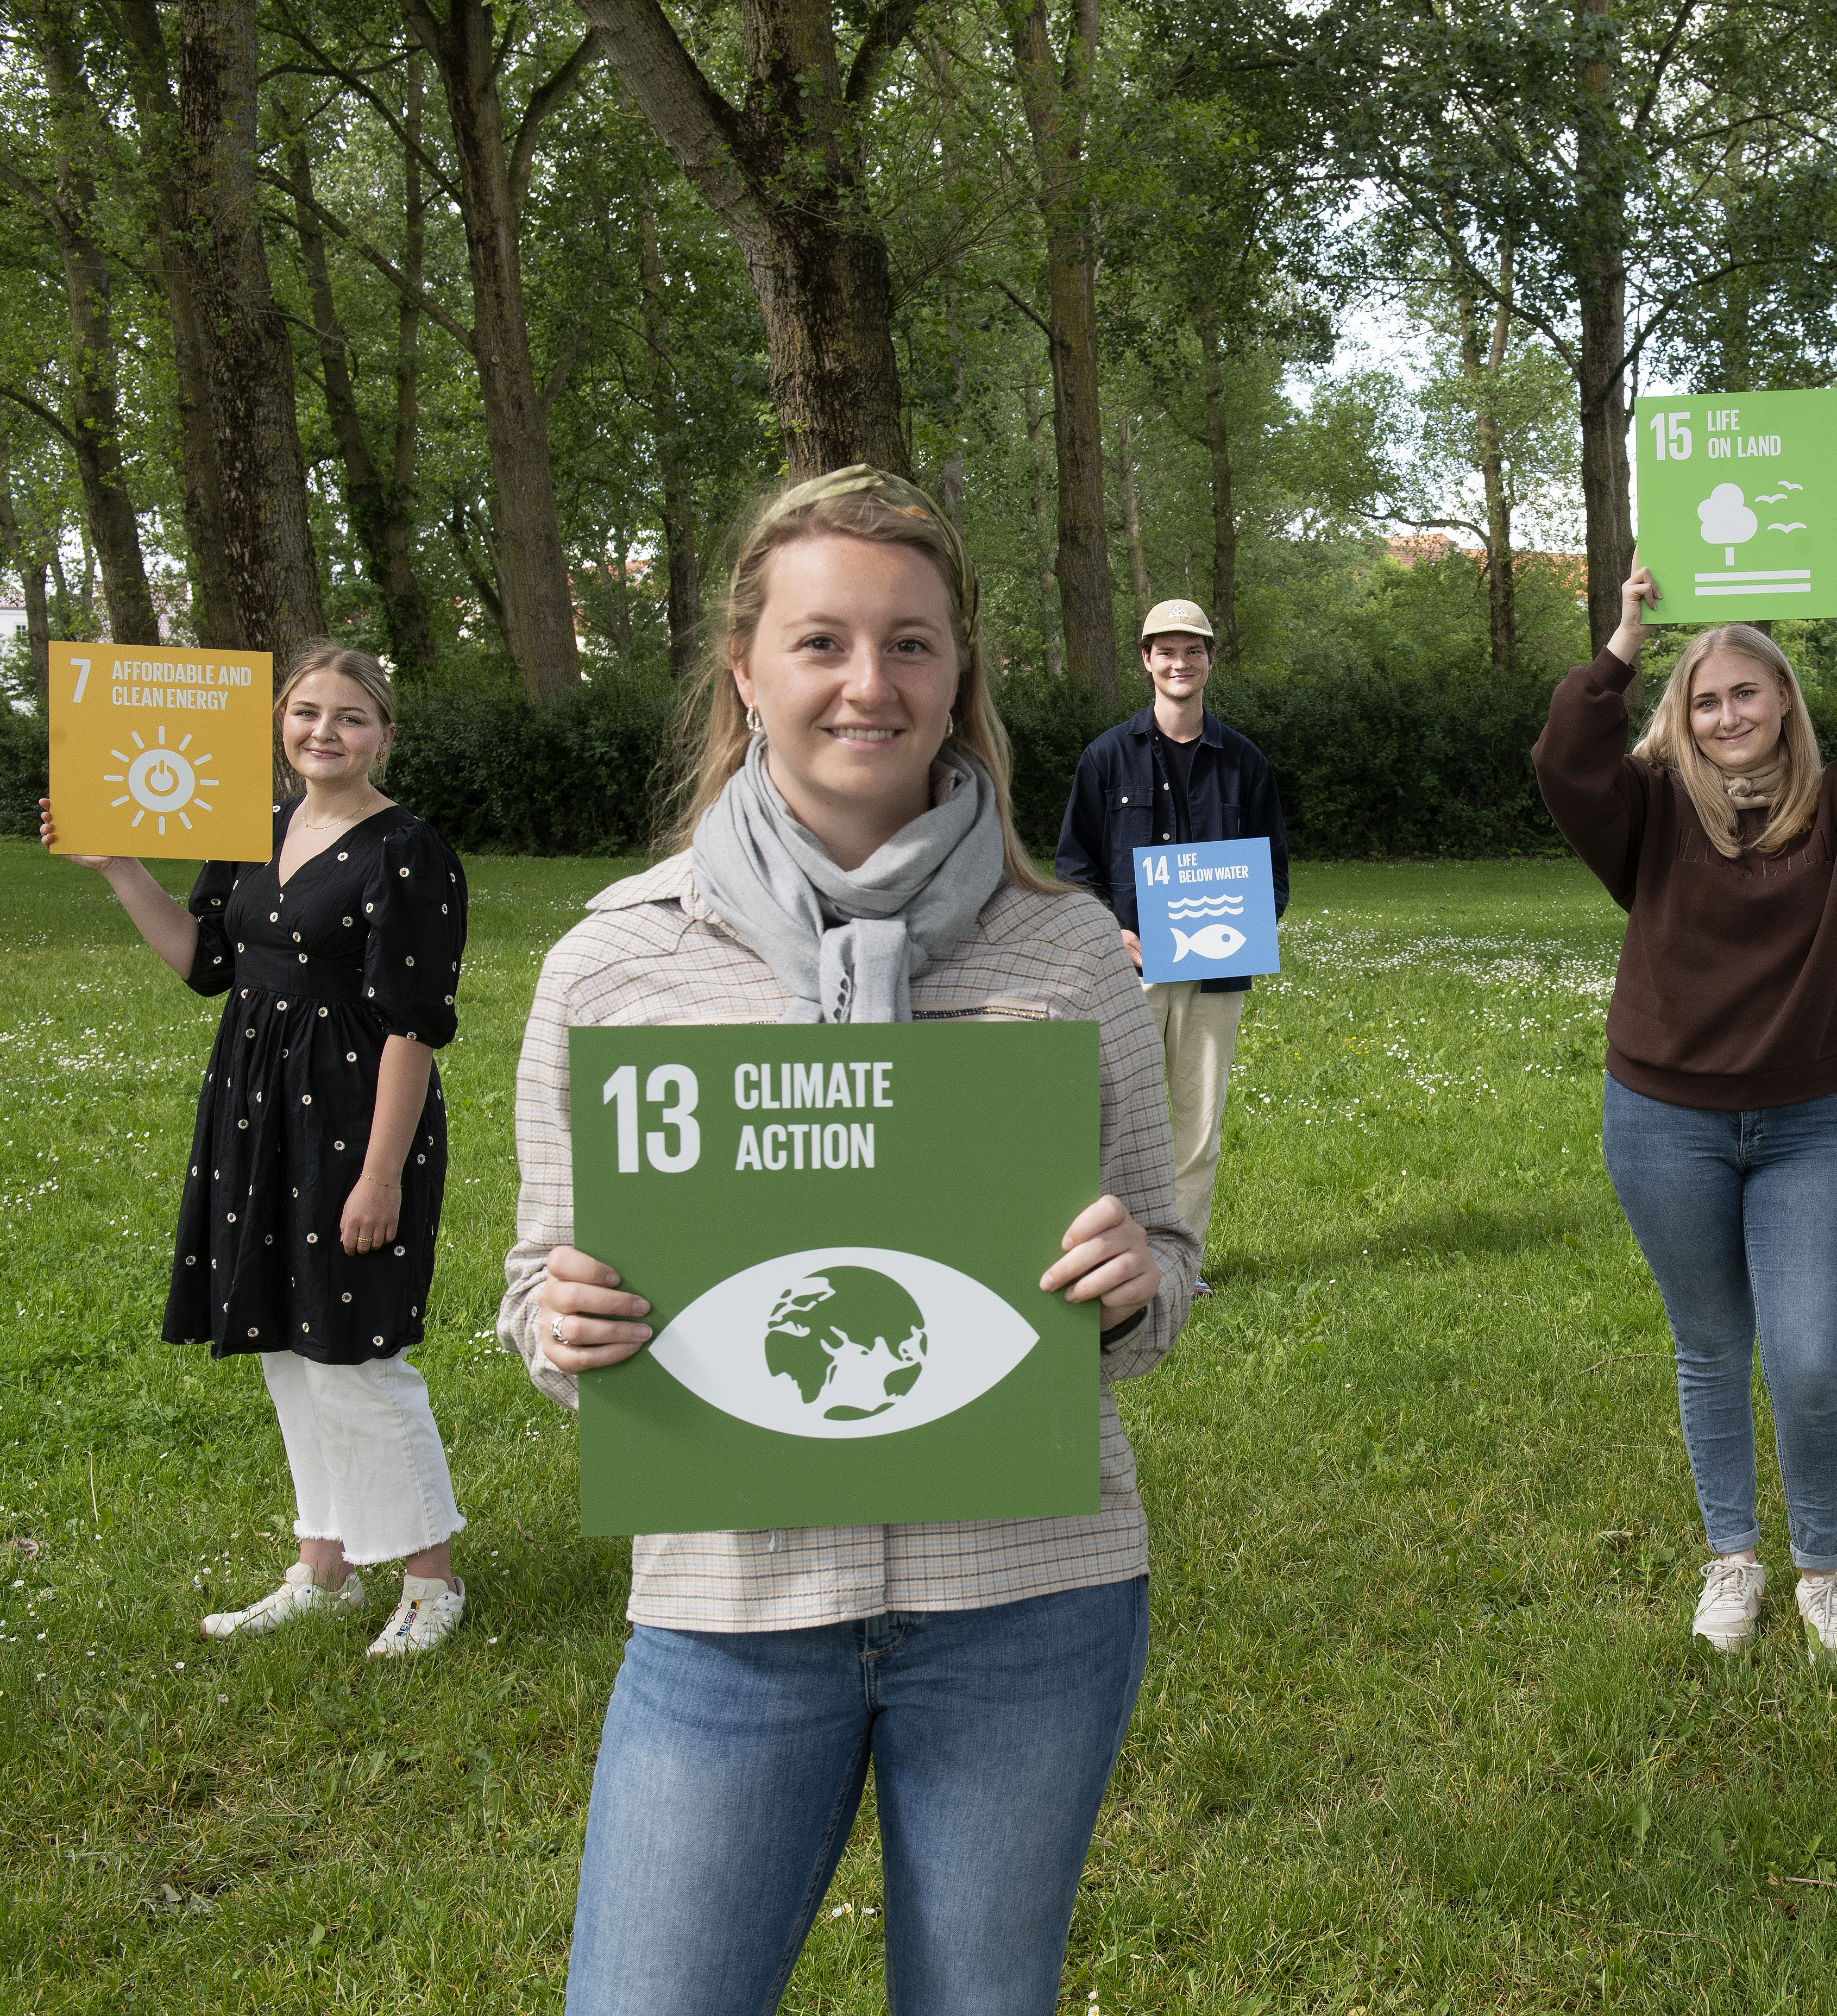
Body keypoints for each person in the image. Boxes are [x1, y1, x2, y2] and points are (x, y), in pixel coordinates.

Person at [504, 467, 1196, 2016]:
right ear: (746, 669)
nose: (868, 684)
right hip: (731, 1607)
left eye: (912, 644)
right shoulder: (621, 961)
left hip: (1031, 1602)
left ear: (960, 680)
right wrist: (561, 1329)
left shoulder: (1070, 951)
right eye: (822, 643)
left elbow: (1164, 1247)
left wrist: (1134, 1287)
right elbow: (531, 1286)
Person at [1534, 504, 1837, 1668]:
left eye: (1747, 691)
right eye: (1705, 699)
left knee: (1806, 1357)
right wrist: (1627, 643)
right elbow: (1565, 758)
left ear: (1786, 699)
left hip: (1813, 1125)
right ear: (1681, 718)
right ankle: (1732, 1554)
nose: (1728, 714)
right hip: (1663, 1119)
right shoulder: (1645, 815)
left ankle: (1823, 1569)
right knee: (1710, 1345)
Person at [39, 643, 470, 1656]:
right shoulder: (253, 826)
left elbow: (414, 1024)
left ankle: (429, 1580)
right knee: (286, 1343)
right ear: (280, 724)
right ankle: (322, 1568)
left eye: (350, 716)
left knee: (358, 1351)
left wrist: (377, 1174)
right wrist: (118, 867)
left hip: (355, 1116)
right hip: (256, 1108)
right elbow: (205, 962)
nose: (325, 731)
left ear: (385, 735)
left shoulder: (409, 850)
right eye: (307, 712)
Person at [1052, 599, 1288, 1274]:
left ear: (1210, 660)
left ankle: (1181, 1266)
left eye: (1193, 651)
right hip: (1129, 974)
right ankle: (1103, 1260)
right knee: (1112, 1121)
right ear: (1146, 660)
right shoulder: (1105, 758)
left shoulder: (1245, 762)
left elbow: (1272, 874)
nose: (1179, 663)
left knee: (1197, 1128)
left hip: (1215, 977)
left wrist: (1243, 932)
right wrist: (1116, 937)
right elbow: (1075, 869)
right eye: (1166, 651)